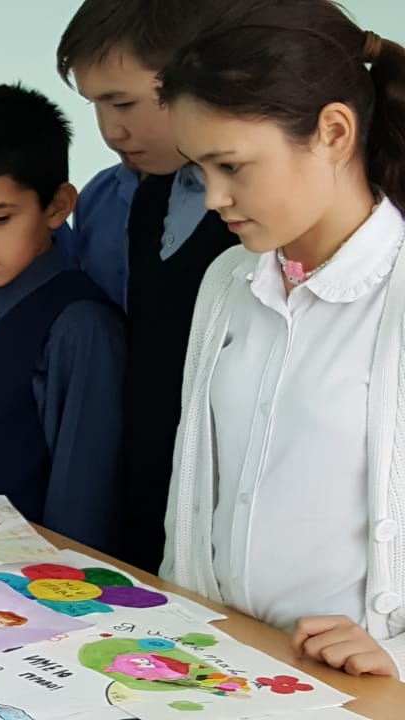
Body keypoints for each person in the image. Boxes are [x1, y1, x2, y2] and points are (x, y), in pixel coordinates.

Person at [160, 0, 405, 679]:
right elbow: (194, 497)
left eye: (233, 166)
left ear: (333, 132)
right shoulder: (226, 281)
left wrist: (401, 655)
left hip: (360, 687)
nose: (213, 197)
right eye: (199, 171)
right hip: (217, 665)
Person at [55, 0, 241, 571]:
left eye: (124, 102)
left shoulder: (253, 217)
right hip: (147, 492)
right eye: (96, 105)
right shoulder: (148, 193)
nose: (112, 130)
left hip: (227, 518)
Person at [0, 85, 124, 551]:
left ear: (57, 206)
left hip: (37, 574)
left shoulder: (81, 327)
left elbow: (82, 500)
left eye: (0, 219)